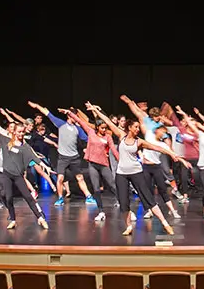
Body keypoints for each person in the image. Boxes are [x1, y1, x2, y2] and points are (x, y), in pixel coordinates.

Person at [88, 104, 178, 237]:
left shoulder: (139, 141)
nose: (137, 129)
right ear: (129, 127)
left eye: (138, 127)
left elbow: (157, 147)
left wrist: (171, 153)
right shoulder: (121, 136)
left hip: (136, 172)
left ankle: (165, 223)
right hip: (121, 174)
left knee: (148, 199)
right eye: (135, 127)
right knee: (124, 202)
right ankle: (129, 226)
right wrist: (96, 110)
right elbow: (107, 121)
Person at [0, 108, 54, 230]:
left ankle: (40, 217)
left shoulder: (24, 146)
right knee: (8, 197)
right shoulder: (5, 140)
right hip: (6, 174)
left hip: (18, 176)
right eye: (19, 132)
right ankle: (12, 219)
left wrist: (45, 166)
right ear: (14, 132)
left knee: (28, 197)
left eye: (23, 132)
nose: (21, 134)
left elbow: (34, 157)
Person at [30, 101, 96, 206]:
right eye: (74, 116)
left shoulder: (78, 129)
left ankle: (88, 196)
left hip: (74, 157)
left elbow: (89, 139)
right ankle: (60, 198)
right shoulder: (61, 124)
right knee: (60, 178)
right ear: (70, 116)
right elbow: (48, 113)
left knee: (80, 177)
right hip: (63, 157)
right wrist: (37, 106)